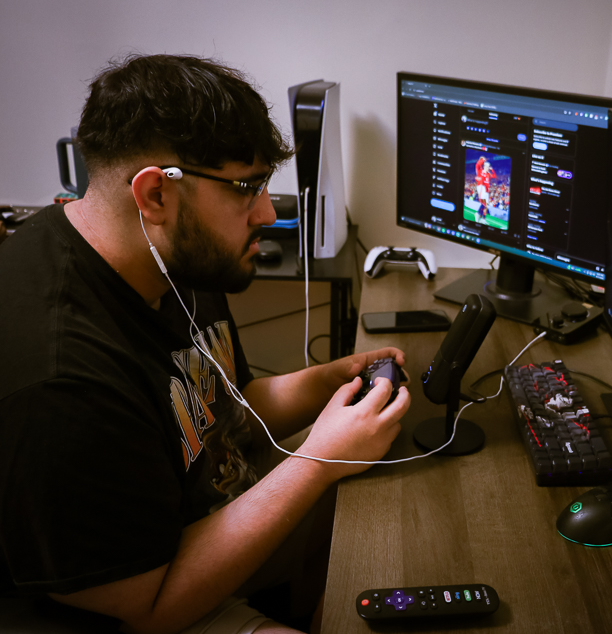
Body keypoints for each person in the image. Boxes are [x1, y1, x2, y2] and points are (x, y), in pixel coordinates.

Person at [0, 54, 411, 633]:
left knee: (395, 521)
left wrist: (325, 382)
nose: (268, 213)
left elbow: (220, 408)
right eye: (247, 188)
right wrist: (319, 460)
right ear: (155, 196)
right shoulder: (61, 381)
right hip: (141, 600)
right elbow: (149, 609)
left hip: (198, 519)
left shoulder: (168, 255)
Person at [474, 156, 496, 224]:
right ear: (484, 166)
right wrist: (483, 160)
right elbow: (477, 165)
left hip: (486, 190)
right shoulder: (480, 171)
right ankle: (477, 214)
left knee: (486, 205)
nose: (487, 167)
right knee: (484, 203)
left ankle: (483, 219)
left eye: (488, 166)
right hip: (481, 187)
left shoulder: (489, 174)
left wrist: (492, 170)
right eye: (486, 166)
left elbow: (494, 176)